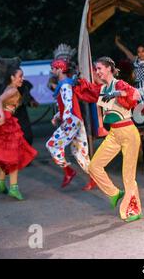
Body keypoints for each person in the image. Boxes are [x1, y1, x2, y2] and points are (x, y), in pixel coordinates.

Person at [74, 57, 142, 222]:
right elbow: (91, 97)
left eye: (99, 68)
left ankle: (134, 210)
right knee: (94, 166)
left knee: (128, 176)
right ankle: (114, 193)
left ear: (109, 68)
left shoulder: (118, 84)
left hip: (128, 132)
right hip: (114, 134)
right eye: (96, 69)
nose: (97, 72)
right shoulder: (103, 88)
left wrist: (117, 93)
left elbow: (137, 95)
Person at [0, 67, 38, 200]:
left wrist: (2, 114)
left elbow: (0, 102)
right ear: (12, 77)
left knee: (5, 153)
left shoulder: (8, 88)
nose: (22, 79)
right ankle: (13, 188)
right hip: (7, 122)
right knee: (13, 155)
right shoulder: (13, 89)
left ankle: (1, 184)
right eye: (20, 76)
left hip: (5, 121)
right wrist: (3, 115)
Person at [46, 58, 94, 190]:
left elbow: (68, 104)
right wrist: (58, 116)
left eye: (53, 68)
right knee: (79, 151)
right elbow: (66, 104)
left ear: (60, 69)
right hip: (75, 119)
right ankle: (94, 178)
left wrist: (65, 119)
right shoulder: (64, 84)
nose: (52, 70)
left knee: (52, 145)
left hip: (72, 120)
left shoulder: (65, 85)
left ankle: (68, 171)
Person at [114, 35, 144, 104]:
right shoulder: (135, 60)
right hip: (137, 90)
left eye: (143, 51)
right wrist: (117, 43)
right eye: (139, 52)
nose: (141, 54)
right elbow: (126, 51)